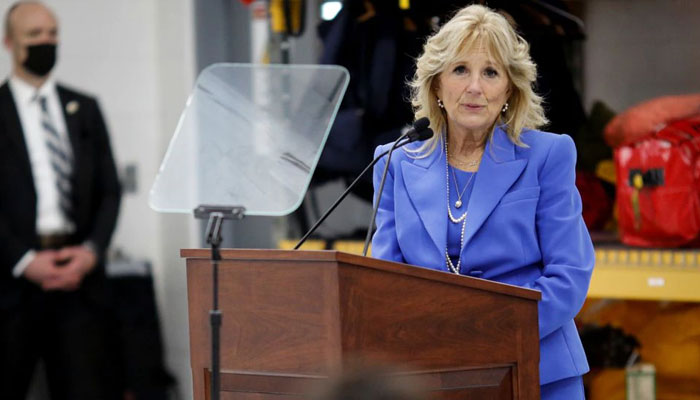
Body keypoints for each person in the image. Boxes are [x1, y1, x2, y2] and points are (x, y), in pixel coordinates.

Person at [370, 4, 594, 399]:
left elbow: (570, 274)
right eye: (460, 70)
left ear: (509, 88)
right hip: (433, 373)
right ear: (437, 84)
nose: (475, 87)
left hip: (538, 371)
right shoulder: (395, 162)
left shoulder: (547, 155)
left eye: (490, 72)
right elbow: (385, 284)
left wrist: (487, 334)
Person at [0, 1, 121, 399]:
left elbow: (109, 189)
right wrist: (23, 260)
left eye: (52, 34)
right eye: (34, 35)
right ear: (9, 42)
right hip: (12, 282)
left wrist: (91, 252)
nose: (46, 42)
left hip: (78, 280)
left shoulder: (83, 108)